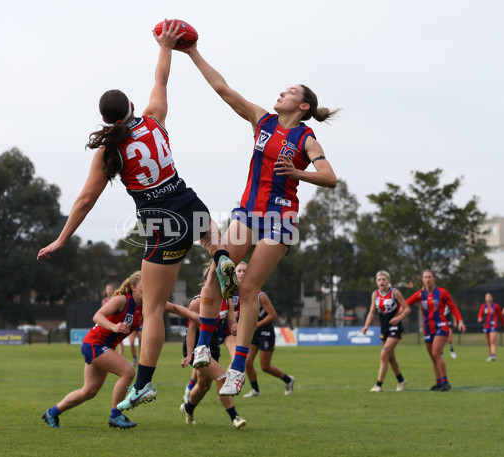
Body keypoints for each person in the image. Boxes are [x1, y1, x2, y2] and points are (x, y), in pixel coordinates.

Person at [37, 20, 238, 411]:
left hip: (162, 223)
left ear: (106, 120)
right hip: (188, 200)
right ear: (130, 107)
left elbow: (84, 201)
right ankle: (223, 258)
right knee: (213, 244)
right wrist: (165, 45)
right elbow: (161, 79)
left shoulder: (109, 152)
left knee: (153, 309)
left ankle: (143, 383)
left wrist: (62, 238)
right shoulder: (152, 118)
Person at [180, 42, 338, 395]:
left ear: (303, 105)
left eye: (290, 91)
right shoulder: (261, 119)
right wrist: (192, 52)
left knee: (248, 288)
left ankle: (237, 369)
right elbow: (223, 89)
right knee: (217, 276)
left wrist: (298, 173)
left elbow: (330, 178)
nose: (281, 93)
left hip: (280, 219)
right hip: (249, 212)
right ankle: (204, 345)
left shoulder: (306, 137)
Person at [41, 271, 200, 429]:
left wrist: (197, 318)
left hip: (103, 347)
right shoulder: (122, 300)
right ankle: (115, 415)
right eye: (144, 287)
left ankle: (52, 412)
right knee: (128, 372)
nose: (149, 291)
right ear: (133, 288)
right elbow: (97, 316)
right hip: (94, 344)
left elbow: (175, 308)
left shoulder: (148, 305)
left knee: (89, 391)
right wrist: (113, 326)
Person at [180, 267, 246, 428]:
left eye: (222, 282)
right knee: (221, 377)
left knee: (204, 386)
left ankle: (188, 408)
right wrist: (189, 354)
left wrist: (237, 327)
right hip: (197, 347)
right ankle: (235, 417)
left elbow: (232, 325)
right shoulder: (197, 302)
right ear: (206, 283)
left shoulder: (228, 300)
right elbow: (191, 330)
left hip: (213, 347)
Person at [232, 262, 295, 398]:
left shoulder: (260, 295)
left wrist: (257, 325)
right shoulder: (236, 294)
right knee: (247, 362)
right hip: (253, 332)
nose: (242, 273)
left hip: (265, 332)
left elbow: (272, 315)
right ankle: (256, 390)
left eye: (244, 271)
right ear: (234, 273)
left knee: (265, 367)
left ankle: (288, 380)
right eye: (239, 271)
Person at [405, 270, 466, 391]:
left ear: (434, 279)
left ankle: (445, 382)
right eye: (425, 277)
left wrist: (460, 321)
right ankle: (438, 383)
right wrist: (394, 311)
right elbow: (406, 304)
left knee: (436, 353)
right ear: (422, 280)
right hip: (428, 328)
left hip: (441, 325)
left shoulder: (442, 292)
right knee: (433, 358)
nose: (428, 279)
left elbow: (453, 307)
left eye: (430, 277)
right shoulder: (419, 294)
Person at [361, 271, 410, 392]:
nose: (381, 282)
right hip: (384, 328)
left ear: (388, 281)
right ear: (376, 282)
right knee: (390, 358)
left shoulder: (395, 292)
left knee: (384, 354)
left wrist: (398, 318)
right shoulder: (375, 294)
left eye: (384, 279)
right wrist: (366, 326)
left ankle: (378, 385)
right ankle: (400, 380)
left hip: (395, 327)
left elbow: (407, 309)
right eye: (379, 280)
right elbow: (372, 312)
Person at [477, 293, 504, 361]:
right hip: (486, 326)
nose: (488, 298)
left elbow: (500, 315)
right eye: (486, 297)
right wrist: (479, 318)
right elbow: (480, 314)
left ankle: (493, 355)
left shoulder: (496, 306)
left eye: (489, 297)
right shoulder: (483, 306)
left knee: (492, 341)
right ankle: (491, 355)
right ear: (485, 299)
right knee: (488, 342)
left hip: (493, 325)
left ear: (492, 298)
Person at [102, 283, 125, 357]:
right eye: (108, 289)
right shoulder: (104, 301)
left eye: (110, 289)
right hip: (108, 322)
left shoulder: (116, 298)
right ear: (105, 291)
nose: (109, 290)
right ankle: (109, 356)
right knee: (108, 340)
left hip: (116, 321)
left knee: (119, 341)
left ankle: (120, 357)